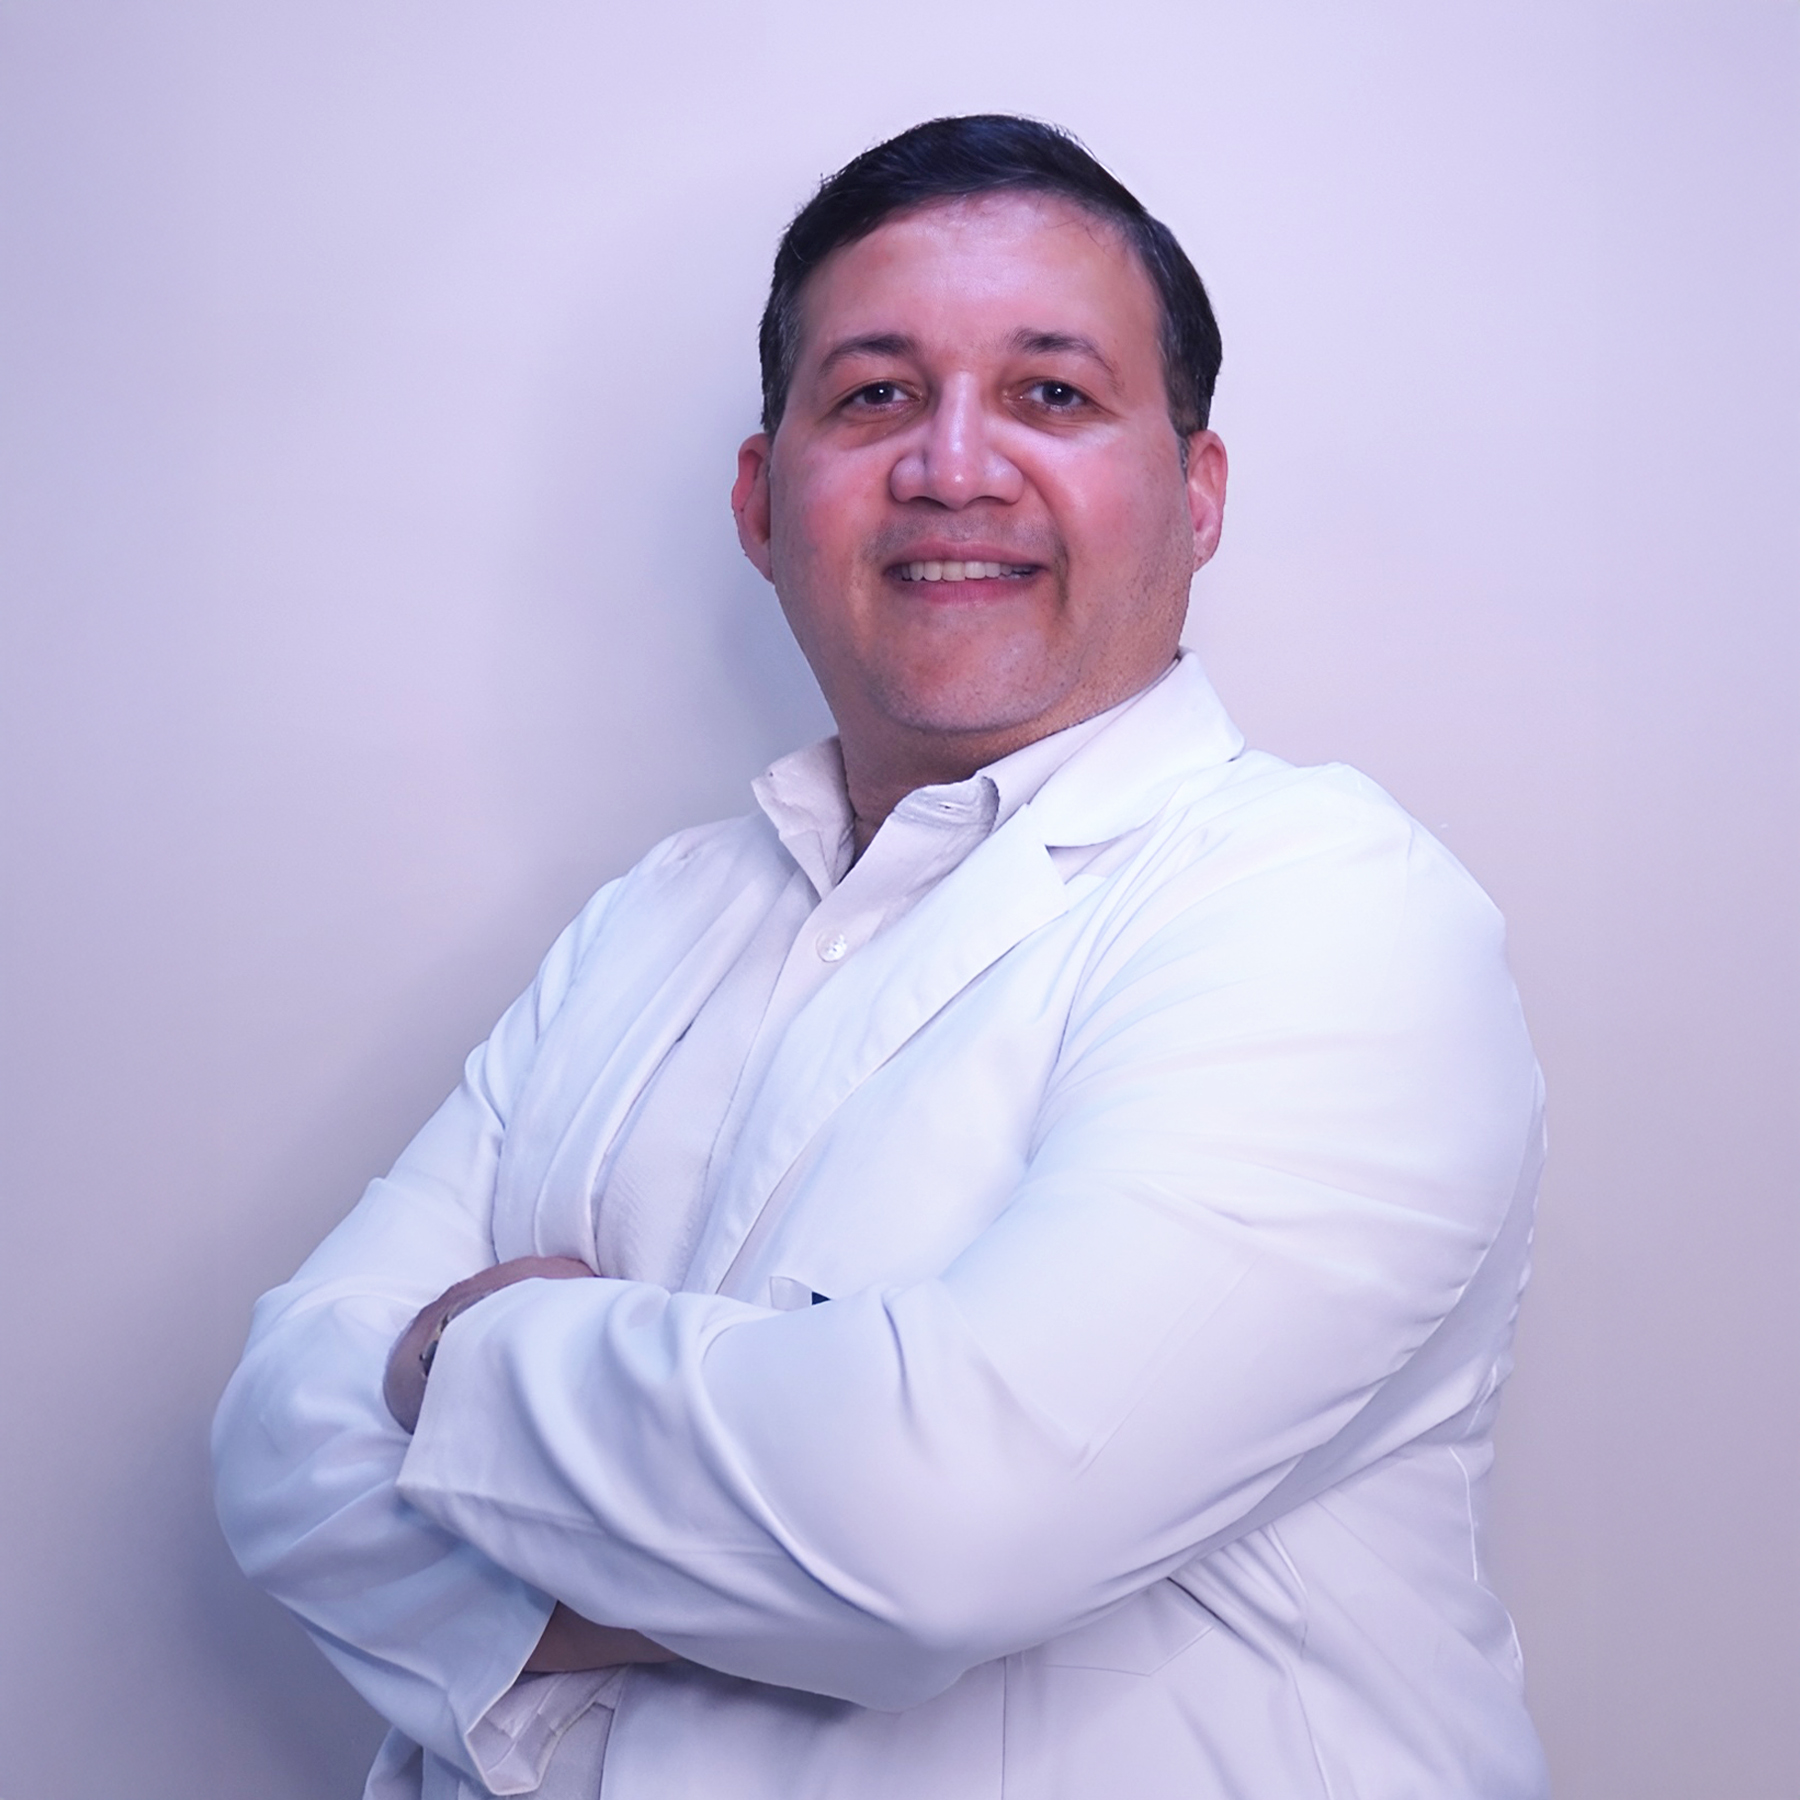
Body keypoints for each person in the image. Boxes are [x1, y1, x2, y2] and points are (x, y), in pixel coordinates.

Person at [213, 114, 1549, 1799]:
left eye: (1052, 394)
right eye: (874, 396)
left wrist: (448, 1361)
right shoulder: (657, 914)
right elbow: (275, 1454)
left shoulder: (1331, 911)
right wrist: (767, 1542)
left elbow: (936, 1538)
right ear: (766, 502)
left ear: (1195, 495)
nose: (953, 467)